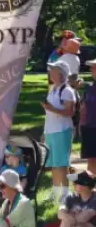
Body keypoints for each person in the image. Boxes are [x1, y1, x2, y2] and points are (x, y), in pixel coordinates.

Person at [43, 60, 77, 203]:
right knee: (53, 163)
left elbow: (70, 111)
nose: (50, 72)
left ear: (61, 73)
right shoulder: (53, 89)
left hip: (62, 130)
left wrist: (51, 109)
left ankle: (65, 193)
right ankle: (56, 190)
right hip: (51, 130)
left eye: (53, 70)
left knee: (61, 163)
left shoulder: (67, 91)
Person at [81, 58, 96, 175]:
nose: (92, 69)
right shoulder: (90, 88)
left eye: (94, 67)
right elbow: (84, 107)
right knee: (91, 159)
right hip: (89, 128)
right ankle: (91, 187)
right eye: (91, 67)